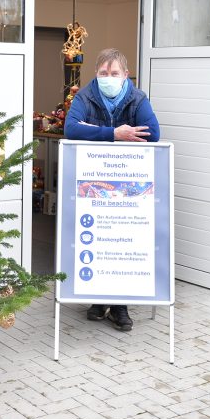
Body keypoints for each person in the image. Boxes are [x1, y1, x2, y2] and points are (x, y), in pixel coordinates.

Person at [64, 48, 160, 332]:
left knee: (122, 240)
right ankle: (97, 300)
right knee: (98, 240)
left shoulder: (137, 98)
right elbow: (70, 129)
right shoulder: (85, 96)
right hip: (92, 183)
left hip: (128, 185)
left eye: (114, 74)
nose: (108, 78)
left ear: (125, 75)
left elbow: (153, 132)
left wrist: (94, 132)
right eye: (103, 73)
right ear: (96, 74)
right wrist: (115, 134)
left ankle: (120, 306)